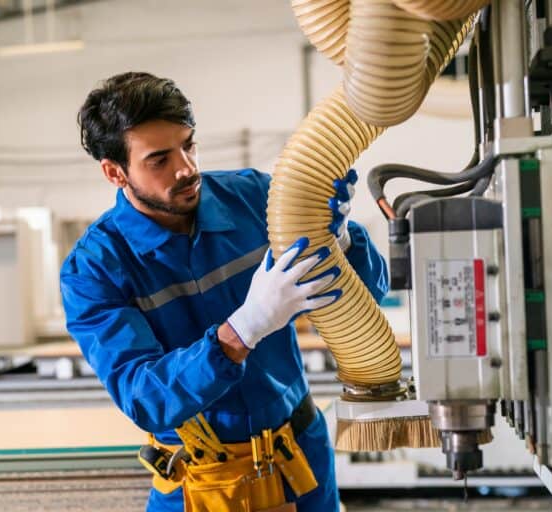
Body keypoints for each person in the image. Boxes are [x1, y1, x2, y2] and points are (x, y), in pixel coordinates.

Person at [60, 71, 389, 512]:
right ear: (114, 172)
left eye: (188, 145)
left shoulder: (255, 198)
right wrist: (244, 328)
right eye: (158, 160)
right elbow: (146, 397)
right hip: (201, 479)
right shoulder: (95, 269)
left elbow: (369, 295)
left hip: (302, 458)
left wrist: (342, 242)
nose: (185, 168)